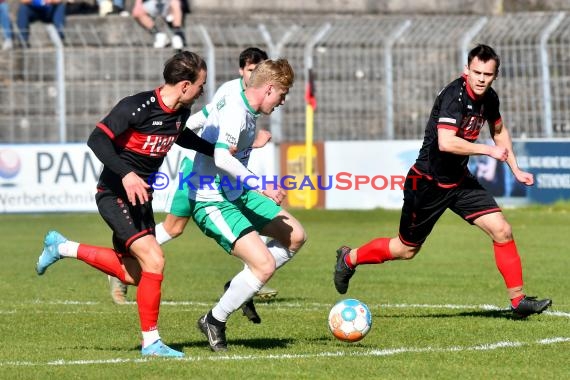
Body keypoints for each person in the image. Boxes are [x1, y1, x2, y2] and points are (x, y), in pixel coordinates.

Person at [333, 44, 552, 319]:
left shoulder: (489, 98)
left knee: (502, 230)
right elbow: (447, 143)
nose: (482, 78)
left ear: (495, 75)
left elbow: (498, 130)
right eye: (477, 72)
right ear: (466, 70)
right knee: (406, 249)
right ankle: (349, 257)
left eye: (488, 73)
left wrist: (515, 169)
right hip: (426, 183)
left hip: (459, 181)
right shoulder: (454, 97)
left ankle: (518, 301)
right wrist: (488, 151)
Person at [35, 51, 211, 357]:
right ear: (184, 85)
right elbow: (97, 139)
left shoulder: (181, 113)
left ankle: (62, 247)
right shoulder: (137, 106)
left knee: (135, 276)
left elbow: (181, 137)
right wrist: (127, 174)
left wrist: (219, 151)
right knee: (155, 260)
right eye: (200, 85)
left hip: (141, 199)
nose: (202, 91)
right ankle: (151, 343)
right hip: (114, 194)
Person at [108, 48, 280, 323]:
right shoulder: (230, 92)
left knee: (177, 228)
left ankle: (249, 279)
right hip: (198, 171)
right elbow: (198, 121)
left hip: (217, 172)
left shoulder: (252, 100)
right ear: (242, 71)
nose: (253, 75)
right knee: (174, 227)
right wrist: (201, 144)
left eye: (258, 71)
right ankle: (124, 264)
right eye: (250, 70)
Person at [190, 58, 306, 351]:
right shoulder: (237, 112)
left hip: (236, 192)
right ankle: (215, 320)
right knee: (264, 265)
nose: (283, 101)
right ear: (269, 88)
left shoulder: (239, 105)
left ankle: (241, 283)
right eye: (282, 93)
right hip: (211, 199)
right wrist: (261, 184)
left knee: (295, 236)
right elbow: (222, 157)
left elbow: (192, 123)